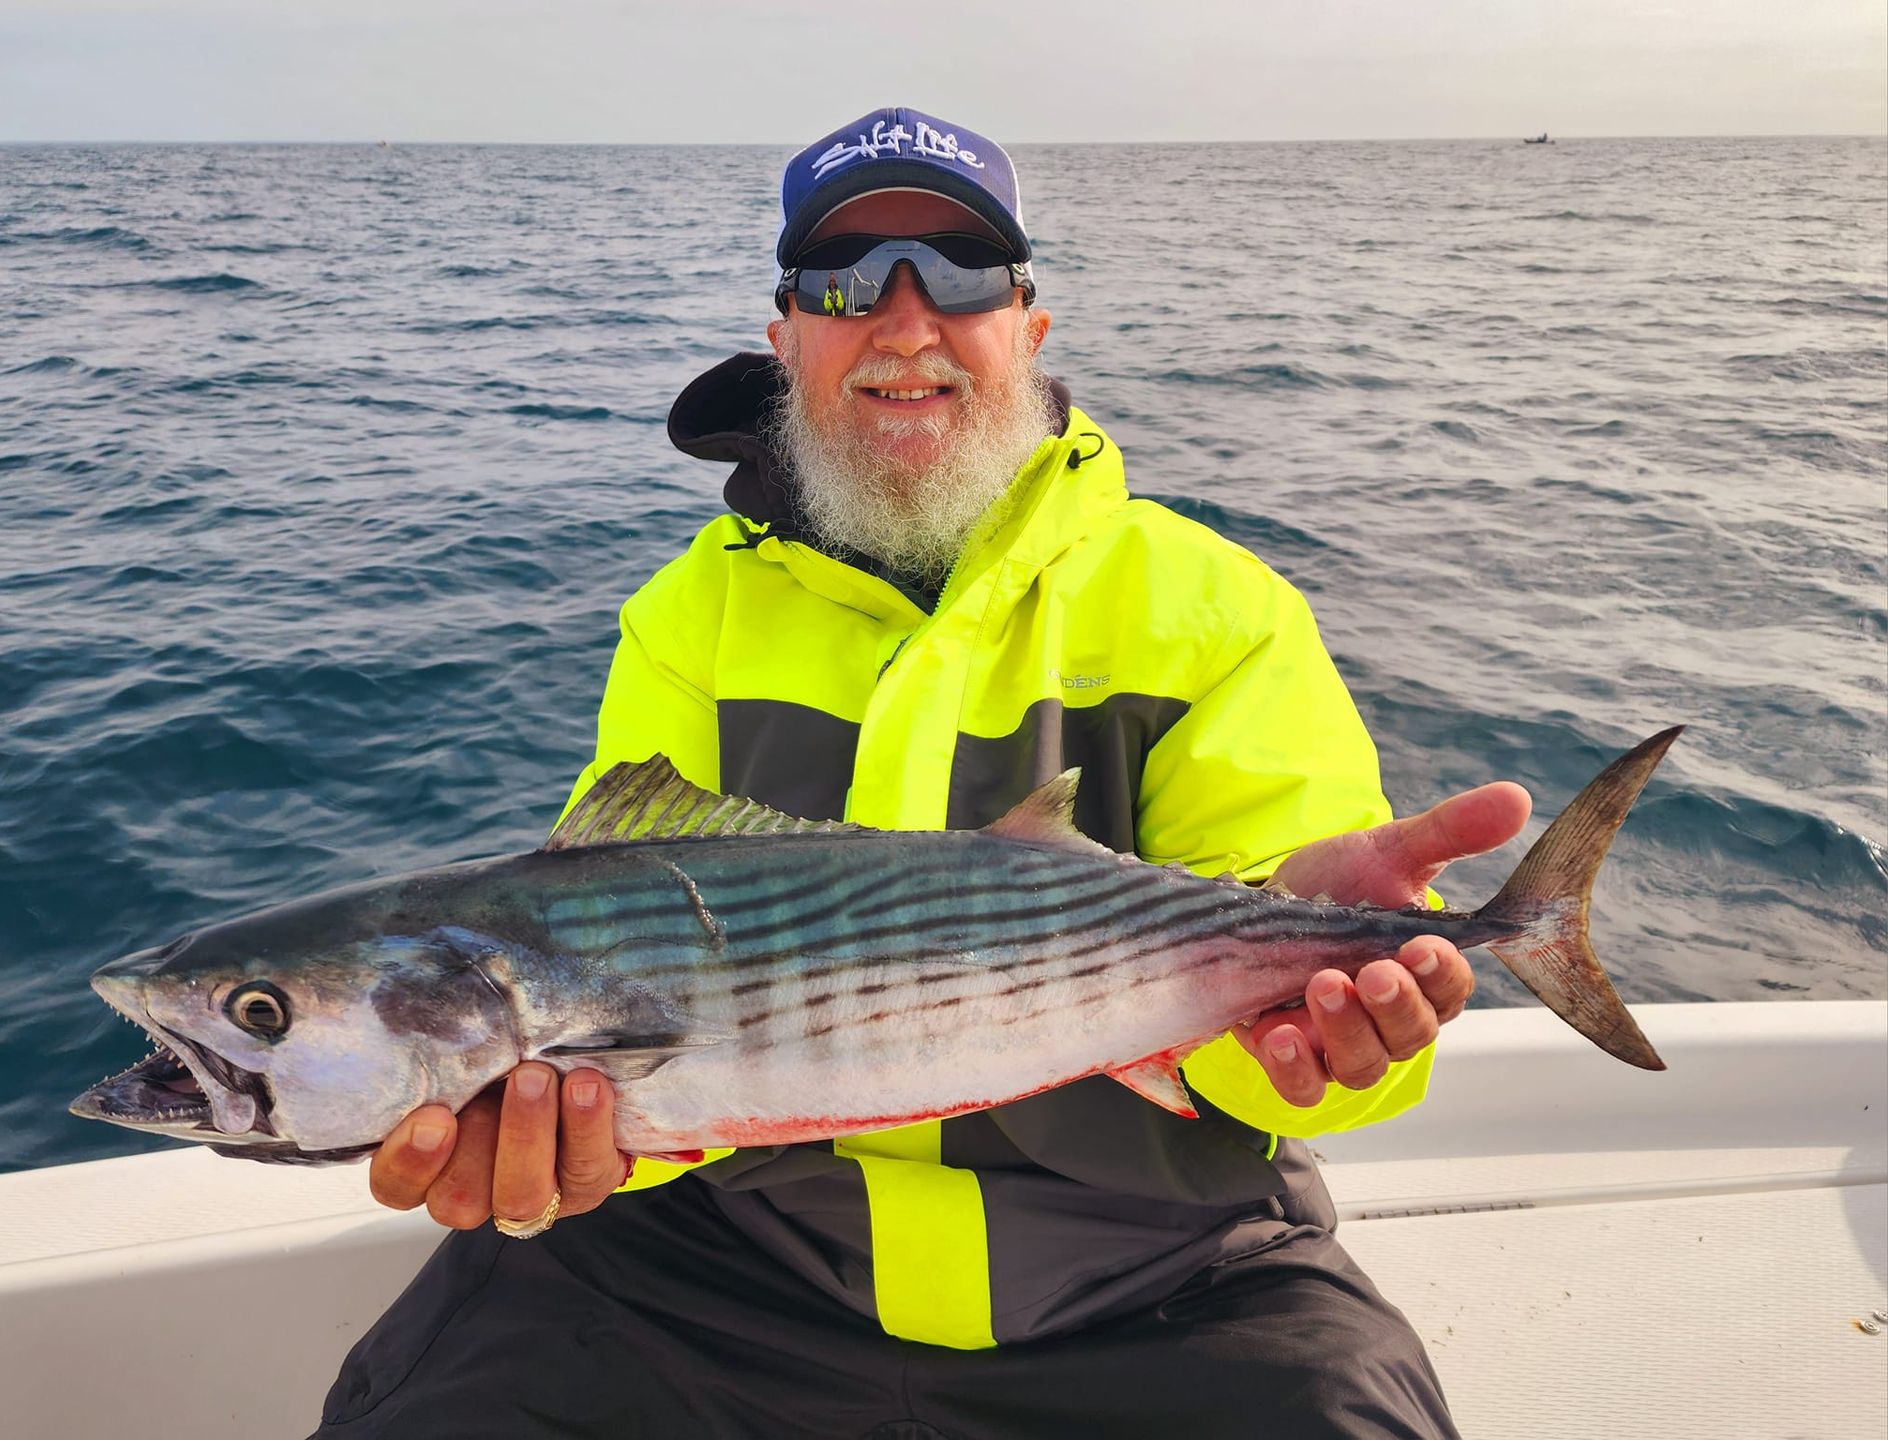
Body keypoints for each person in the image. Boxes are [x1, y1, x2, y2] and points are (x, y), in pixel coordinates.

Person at [318, 107, 1531, 1439]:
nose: (905, 323)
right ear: (785, 340)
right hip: (727, 1264)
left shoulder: (1215, 607)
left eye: (959, 274)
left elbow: (1308, 1059)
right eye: (846, 282)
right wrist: (579, 1135)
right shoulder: (687, 619)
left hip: (1162, 1273)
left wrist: (1320, 988)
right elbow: (639, 980)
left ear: (1030, 326)